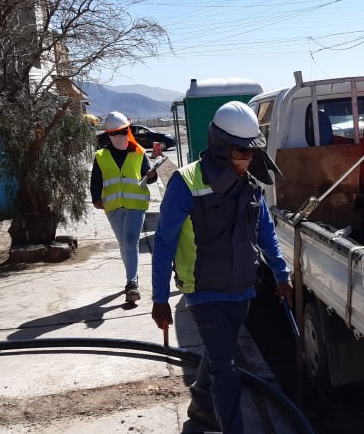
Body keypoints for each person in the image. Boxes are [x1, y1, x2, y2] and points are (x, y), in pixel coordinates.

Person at [150, 101, 292, 434]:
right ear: (221, 147)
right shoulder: (186, 183)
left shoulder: (250, 183)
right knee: (227, 371)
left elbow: (265, 232)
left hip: (242, 289)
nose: (248, 157)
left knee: (219, 355)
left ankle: (200, 402)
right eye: (241, 151)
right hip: (204, 292)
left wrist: (282, 274)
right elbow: (164, 243)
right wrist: (160, 298)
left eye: (251, 151)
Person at [90, 111, 157, 303]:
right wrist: (96, 198)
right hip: (112, 206)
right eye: (113, 133)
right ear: (108, 135)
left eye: (121, 132)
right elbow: (95, 180)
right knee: (123, 243)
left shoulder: (139, 152)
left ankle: (132, 284)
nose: (117, 136)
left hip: (136, 204)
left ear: (128, 130)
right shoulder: (101, 156)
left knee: (130, 242)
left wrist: (152, 176)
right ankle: (132, 276)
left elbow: (147, 177)